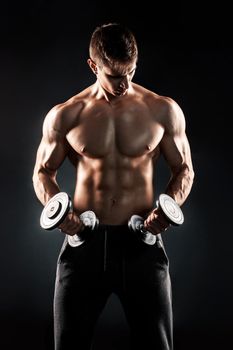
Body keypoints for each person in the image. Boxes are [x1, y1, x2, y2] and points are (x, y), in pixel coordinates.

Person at [32, 22, 194, 350]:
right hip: (85, 245)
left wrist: (167, 208)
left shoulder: (162, 110)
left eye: (130, 73)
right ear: (93, 66)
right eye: (114, 76)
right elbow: (42, 172)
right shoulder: (67, 115)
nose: (124, 84)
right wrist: (61, 215)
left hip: (142, 244)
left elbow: (184, 170)